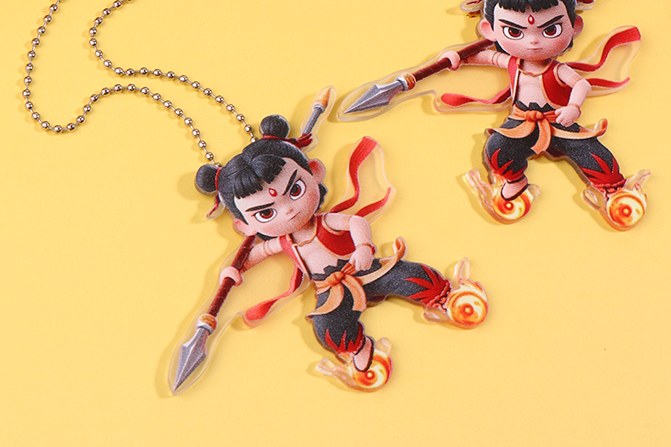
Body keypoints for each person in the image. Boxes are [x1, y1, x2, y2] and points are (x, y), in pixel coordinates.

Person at [195, 115, 487, 391]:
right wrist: (234, 270)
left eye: (294, 191)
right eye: (267, 213)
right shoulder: (282, 243)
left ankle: (445, 296)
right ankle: (358, 350)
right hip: (330, 291)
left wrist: (363, 247)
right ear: (244, 226)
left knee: (409, 275)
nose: (288, 211)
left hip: (363, 268)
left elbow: (355, 222)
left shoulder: (326, 221)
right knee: (327, 328)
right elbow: (254, 256)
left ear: (315, 172)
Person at [440, 0, 648, 230]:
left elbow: (581, 85)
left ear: (574, 26)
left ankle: (614, 189)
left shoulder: (559, 69)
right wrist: (458, 58)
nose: (533, 41)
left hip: (558, 121)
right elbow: (486, 57)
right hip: (520, 122)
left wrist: (573, 108)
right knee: (497, 149)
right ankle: (514, 181)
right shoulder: (512, 62)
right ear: (489, 31)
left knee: (592, 151)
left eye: (550, 30)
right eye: (514, 31)